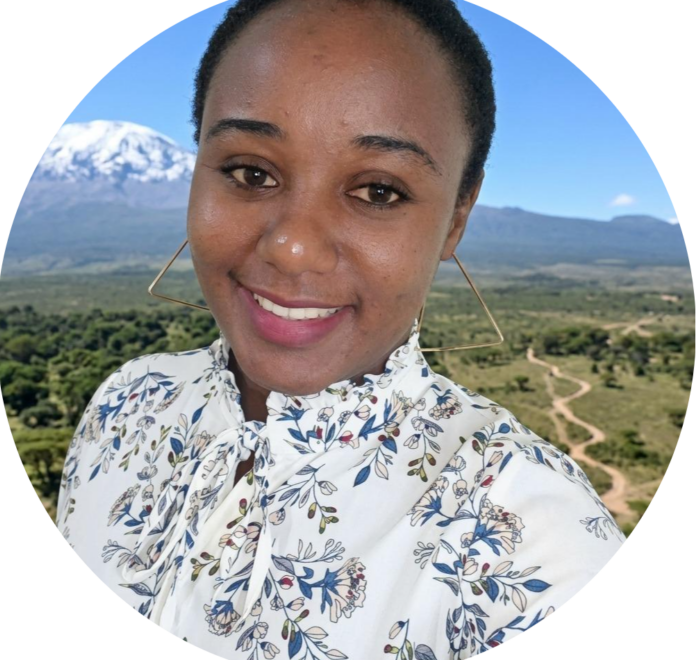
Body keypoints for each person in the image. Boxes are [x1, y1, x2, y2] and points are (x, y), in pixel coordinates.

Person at [55, 0, 626, 657]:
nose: (293, 247)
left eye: (379, 191)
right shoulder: (125, 405)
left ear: (457, 216)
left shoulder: (530, 543)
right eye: (250, 173)